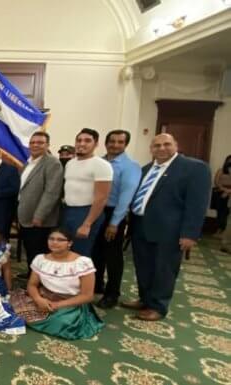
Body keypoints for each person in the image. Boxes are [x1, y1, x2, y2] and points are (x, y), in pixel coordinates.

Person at [122, 133, 211, 321]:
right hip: (141, 227)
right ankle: (145, 299)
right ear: (151, 149)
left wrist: (190, 234)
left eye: (166, 144)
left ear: (176, 145)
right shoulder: (145, 169)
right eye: (157, 145)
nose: (161, 148)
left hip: (170, 231)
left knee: (164, 269)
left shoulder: (194, 168)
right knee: (143, 266)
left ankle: (158, 306)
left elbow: (197, 204)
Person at [10, 228, 103, 340]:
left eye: (60, 240)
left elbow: (87, 296)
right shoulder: (40, 259)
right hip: (44, 297)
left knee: (63, 323)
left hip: (69, 303)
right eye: (51, 239)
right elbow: (32, 284)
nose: (54, 242)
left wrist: (57, 305)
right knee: (11, 305)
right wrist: (38, 300)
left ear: (70, 243)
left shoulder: (82, 263)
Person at [92, 130, 141, 309]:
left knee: (112, 256)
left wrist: (115, 222)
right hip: (96, 210)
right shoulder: (99, 162)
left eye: (120, 142)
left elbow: (126, 197)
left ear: (125, 144)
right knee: (96, 252)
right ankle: (97, 284)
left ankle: (112, 293)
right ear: (106, 143)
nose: (115, 145)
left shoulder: (130, 166)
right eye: (112, 141)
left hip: (114, 213)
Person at [17, 132, 63, 278]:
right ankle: (32, 273)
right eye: (33, 142)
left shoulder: (52, 163)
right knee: (31, 249)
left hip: (39, 219)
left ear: (47, 145)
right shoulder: (28, 162)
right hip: (26, 215)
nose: (35, 145)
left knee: (40, 251)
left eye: (40, 142)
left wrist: (39, 215)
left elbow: (52, 192)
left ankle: (40, 280)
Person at [62, 128, 113, 257]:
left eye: (87, 141)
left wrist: (87, 224)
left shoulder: (102, 165)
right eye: (79, 140)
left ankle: (84, 278)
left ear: (96, 144)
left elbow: (102, 197)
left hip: (86, 212)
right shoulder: (70, 163)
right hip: (67, 211)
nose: (82, 144)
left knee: (80, 254)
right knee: (65, 250)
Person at [213, 155, 231, 237]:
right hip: (220, 192)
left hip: (230, 193)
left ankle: (224, 231)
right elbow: (216, 182)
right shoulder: (221, 170)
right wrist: (224, 190)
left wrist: (228, 191)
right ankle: (218, 230)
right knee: (220, 212)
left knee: (227, 213)